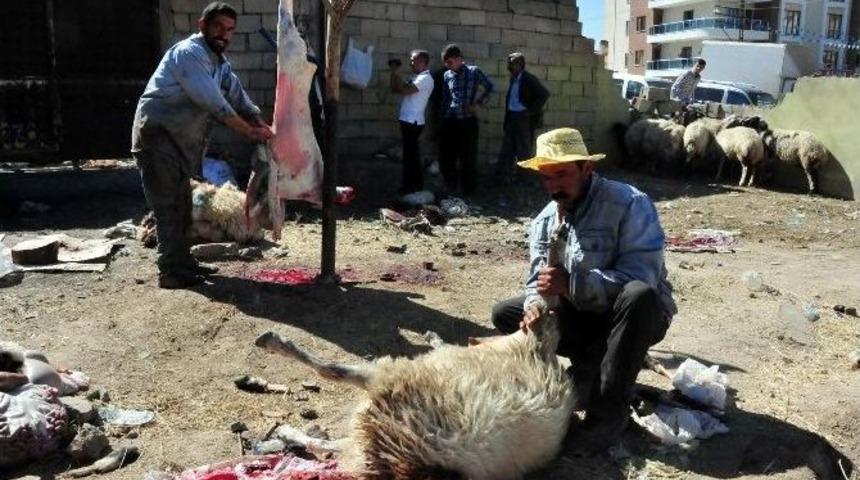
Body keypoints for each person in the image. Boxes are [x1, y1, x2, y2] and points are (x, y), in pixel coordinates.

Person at [490, 128, 676, 454]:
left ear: (586, 169)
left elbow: (642, 276)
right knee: (507, 312)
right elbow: (538, 281)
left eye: (561, 174)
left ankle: (605, 419)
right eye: (546, 178)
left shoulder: (630, 203)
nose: (553, 186)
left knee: (638, 296)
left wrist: (573, 284)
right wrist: (536, 305)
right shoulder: (545, 220)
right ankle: (593, 366)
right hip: (586, 315)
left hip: (635, 316)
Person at [131, 2, 273, 289]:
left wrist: (260, 122)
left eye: (230, 30)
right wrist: (249, 131)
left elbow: (236, 95)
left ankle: (184, 263)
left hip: (179, 143)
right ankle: (170, 272)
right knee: (168, 207)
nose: (224, 34)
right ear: (202, 25)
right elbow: (214, 103)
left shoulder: (219, 64)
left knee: (183, 204)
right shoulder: (190, 54)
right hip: (157, 137)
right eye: (218, 27)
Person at [438, 44, 494, 197]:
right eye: (445, 63)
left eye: (449, 62)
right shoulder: (447, 75)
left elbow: (490, 87)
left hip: (467, 121)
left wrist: (478, 104)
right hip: (450, 120)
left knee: (468, 157)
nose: (448, 66)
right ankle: (451, 188)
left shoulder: (474, 72)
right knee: (448, 157)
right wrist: (442, 118)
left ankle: (469, 191)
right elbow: (445, 97)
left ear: (458, 59)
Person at [495, 52, 550, 184]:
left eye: (512, 64)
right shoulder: (513, 79)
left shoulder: (528, 79)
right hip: (512, 116)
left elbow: (544, 94)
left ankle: (524, 180)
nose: (510, 67)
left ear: (520, 65)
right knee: (507, 148)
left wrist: (530, 112)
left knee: (524, 150)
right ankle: (504, 177)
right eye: (509, 64)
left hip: (523, 118)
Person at [389, 50, 434, 194]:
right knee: (411, 155)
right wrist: (393, 73)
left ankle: (411, 186)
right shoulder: (416, 77)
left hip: (413, 122)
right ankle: (413, 185)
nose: (411, 63)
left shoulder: (425, 79)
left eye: (414, 60)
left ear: (423, 62)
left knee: (411, 157)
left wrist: (396, 73)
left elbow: (404, 90)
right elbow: (395, 89)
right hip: (408, 121)